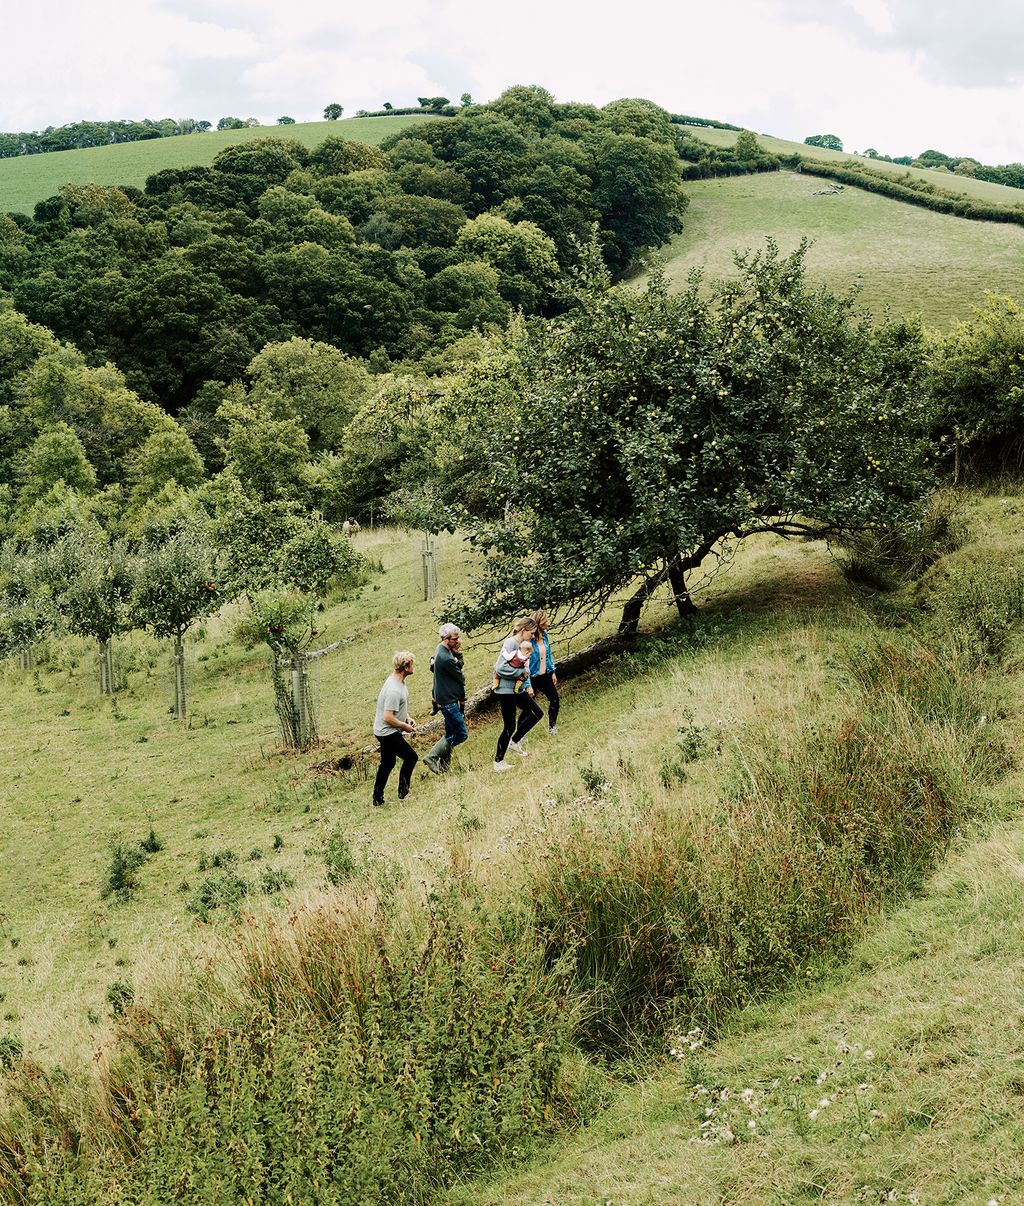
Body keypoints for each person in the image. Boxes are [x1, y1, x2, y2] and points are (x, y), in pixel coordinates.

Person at [493, 617, 543, 772]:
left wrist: (525, 676)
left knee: (536, 713)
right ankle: (498, 762)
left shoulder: (523, 646)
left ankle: (515, 741)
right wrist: (520, 672)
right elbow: (499, 668)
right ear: (523, 630)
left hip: (517, 689)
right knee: (509, 725)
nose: (533, 637)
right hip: (506, 690)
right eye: (532, 633)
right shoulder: (511, 643)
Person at [372, 651, 418, 807]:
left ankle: (377, 799)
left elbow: (398, 707)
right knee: (411, 757)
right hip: (387, 732)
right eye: (412, 664)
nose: (414, 666)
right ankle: (403, 794)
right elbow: (388, 717)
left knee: (387, 763)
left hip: (386, 730)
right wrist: (404, 726)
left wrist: (407, 717)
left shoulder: (399, 682)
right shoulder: (394, 689)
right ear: (406, 667)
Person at [423, 623, 468, 773]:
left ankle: (444, 767)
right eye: (455, 639)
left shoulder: (441, 650)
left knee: (450, 733)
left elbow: (433, 666)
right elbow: (460, 677)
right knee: (461, 734)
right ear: (445, 638)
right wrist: (458, 655)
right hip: (448, 700)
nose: (458, 641)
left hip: (447, 697)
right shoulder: (446, 657)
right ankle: (432, 756)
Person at [529, 609, 560, 734]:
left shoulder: (545, 634)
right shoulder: (528, 640)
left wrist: (552, 671)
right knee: (529, 708)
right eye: (545, 621)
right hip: (531, 677)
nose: (548, 622)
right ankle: (519, 735)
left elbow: (548, 654)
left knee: (554, 700)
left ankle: (552, 726)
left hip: (544, 674)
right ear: (538, 623)